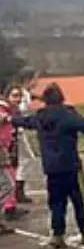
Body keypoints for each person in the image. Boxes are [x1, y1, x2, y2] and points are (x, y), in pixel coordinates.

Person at [7, 83, 84, 249]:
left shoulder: (40, 117)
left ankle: (57, 235)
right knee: (79, 201)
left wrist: (8, 119)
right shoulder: (68, 115)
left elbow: (24, 121)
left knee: (56, 202)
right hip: (70, 165)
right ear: (61, 98)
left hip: (51, 168)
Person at [13, 68, 40, 205]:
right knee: (27, 159)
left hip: (19, 130)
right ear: (28, 80)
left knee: (24, 159)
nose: (37, 82)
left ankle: (17, 190)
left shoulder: (25, 93)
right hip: (17, 131)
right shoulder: (20, 94)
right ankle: (17, 190)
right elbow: (20, 108)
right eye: (35, 79)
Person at [0, 86, 22, 230]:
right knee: (7, 185)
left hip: (4, 150)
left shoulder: (12, 111)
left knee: (7, 184)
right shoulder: (3, 110)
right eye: (14, 96)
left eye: (19, 96)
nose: (18, 99)